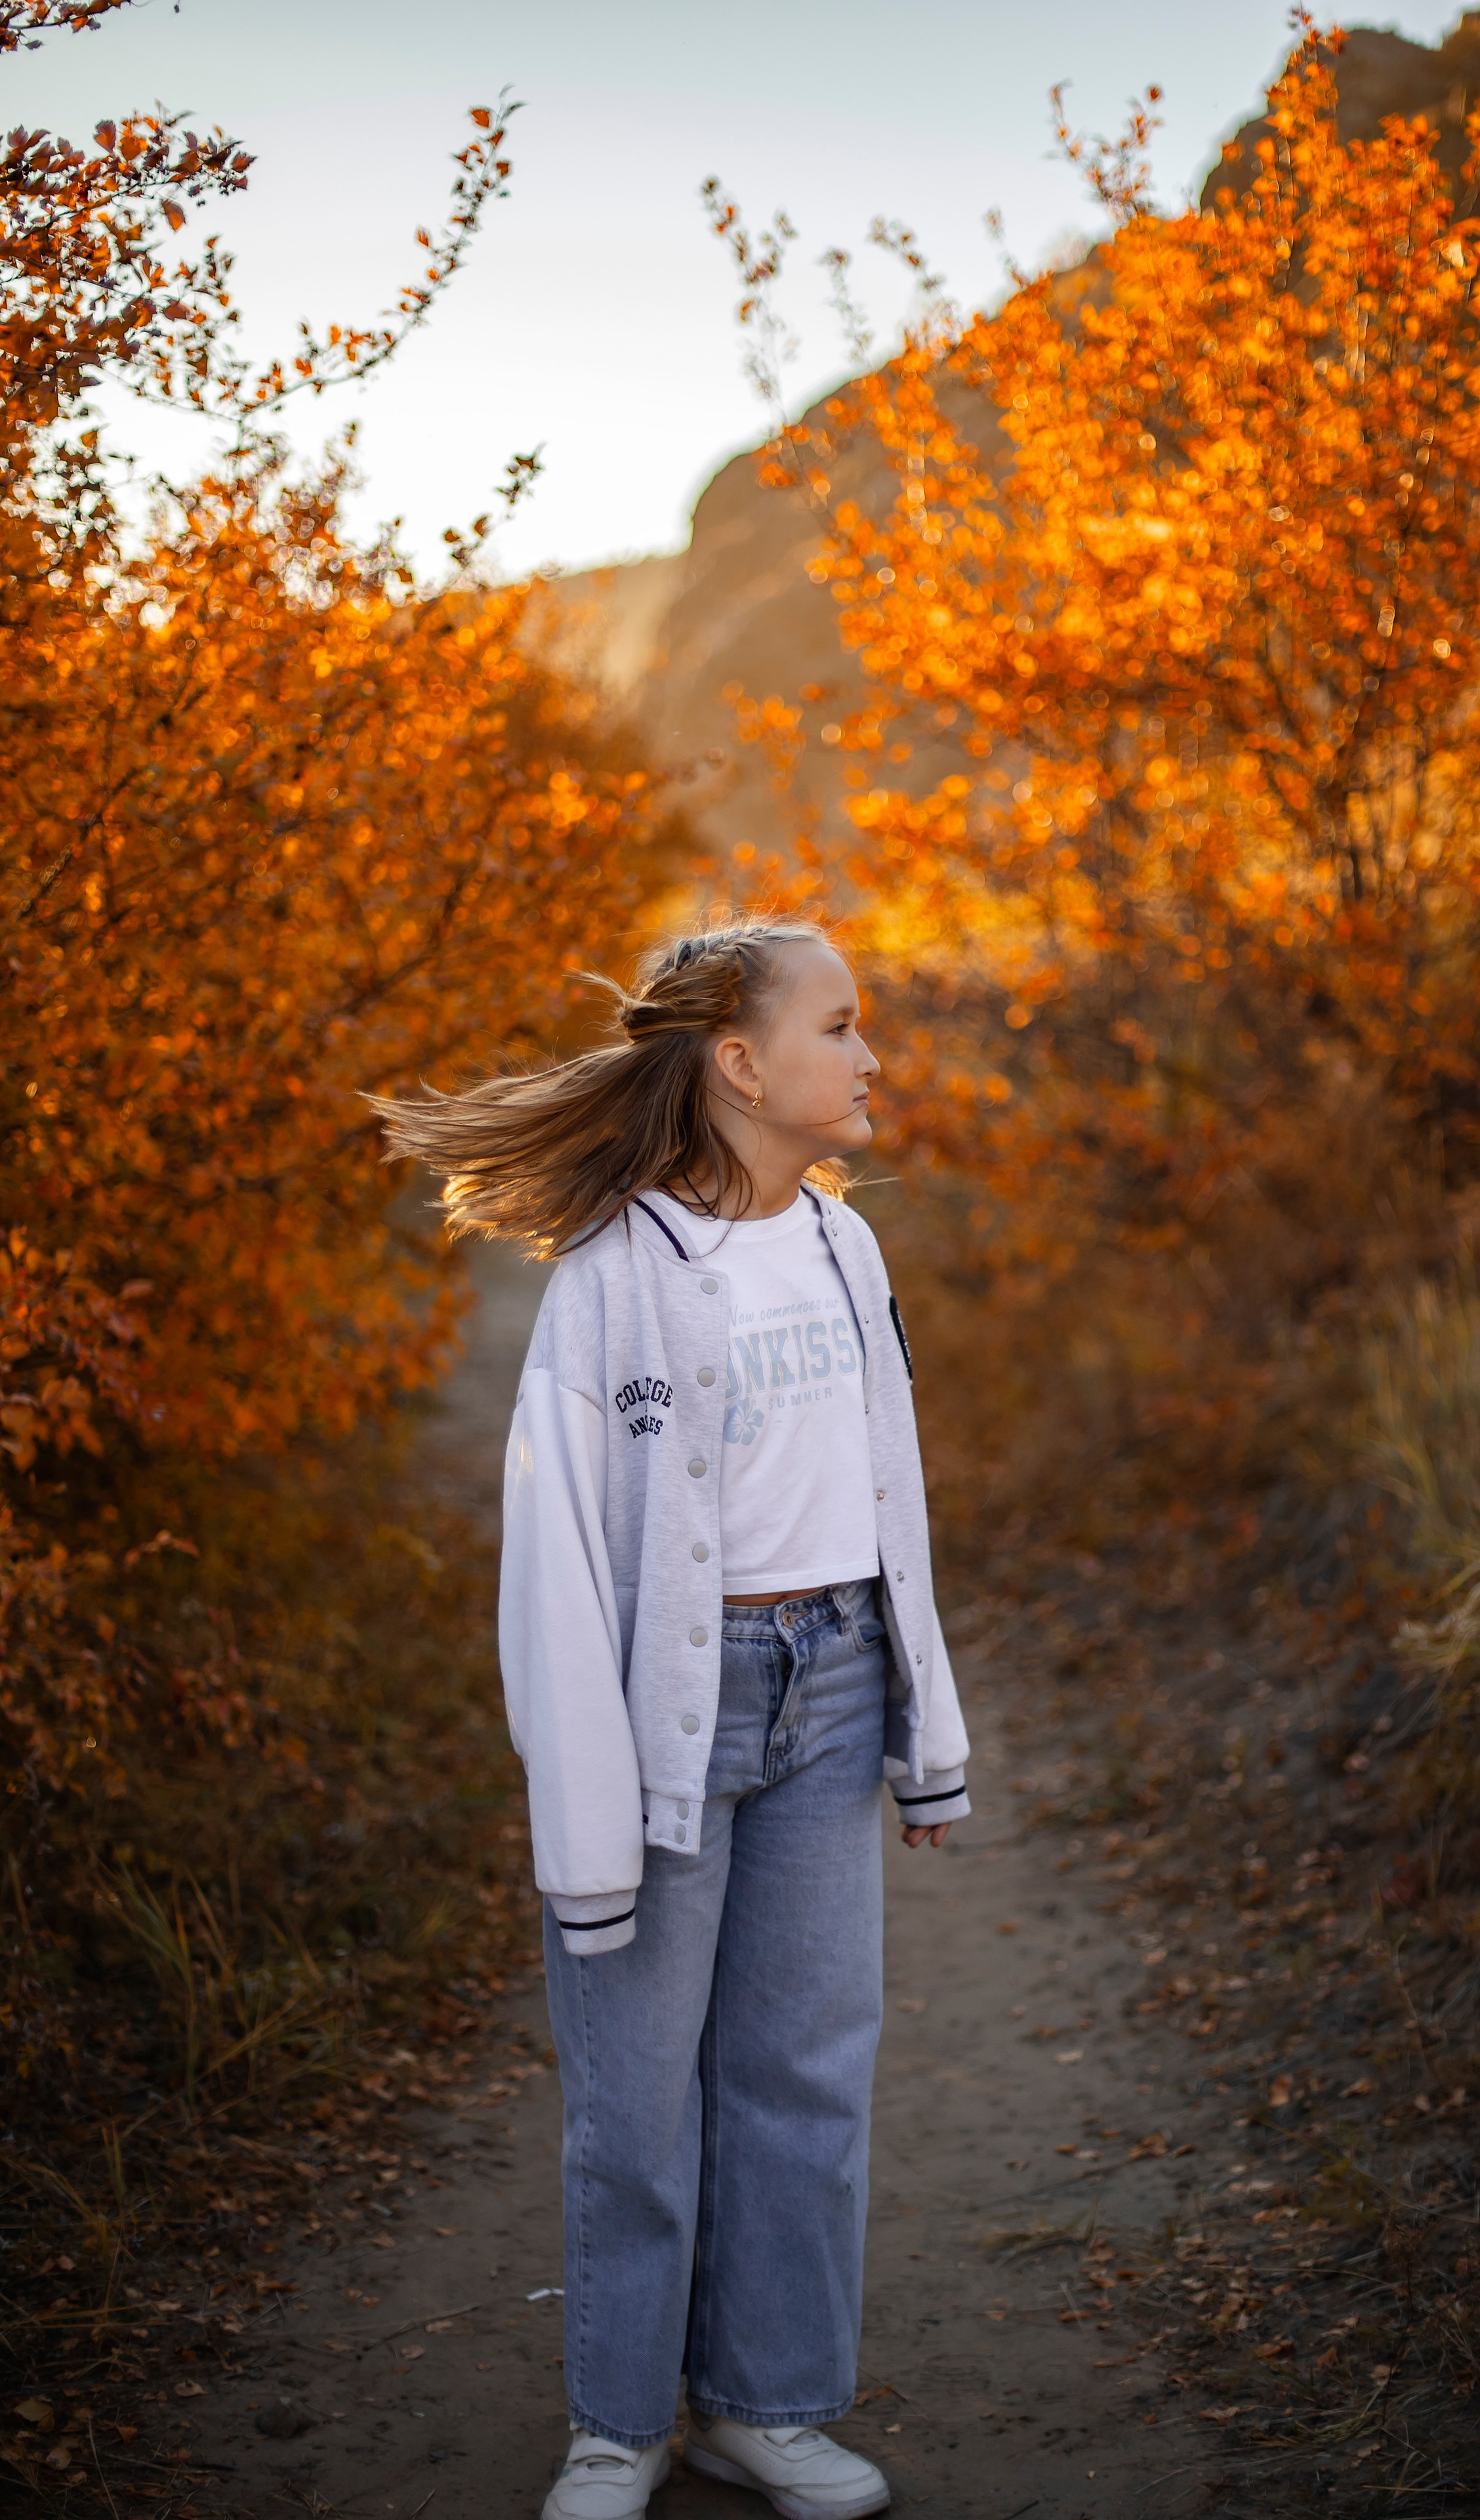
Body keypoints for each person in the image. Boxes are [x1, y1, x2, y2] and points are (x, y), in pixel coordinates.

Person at [375, 919, 970, 2520]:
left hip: (833, 1683)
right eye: (840, 1027)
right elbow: (559, 1569)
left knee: (802, 2073)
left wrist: (924, 1727)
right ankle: (621, 2421)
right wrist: (581, 1816)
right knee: (638, 2098)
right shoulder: (611, 1283)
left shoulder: (848, 1250)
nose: (867, 1058)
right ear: (739, 1062)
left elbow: (888, 1504)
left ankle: (763, 2405)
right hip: (672, 1707)